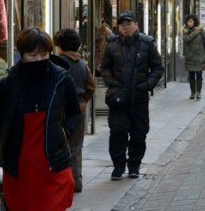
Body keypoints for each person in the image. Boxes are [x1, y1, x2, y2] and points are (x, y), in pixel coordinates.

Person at [0, 27, 81, 211]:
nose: (38, 60)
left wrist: (63, 132)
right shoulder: (8, 84)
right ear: (21, 54)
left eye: (43, 54)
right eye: (32, 55)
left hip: (53, 161)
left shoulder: (61, 79)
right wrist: (7, 135)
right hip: (19, 165)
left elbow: (74, 112)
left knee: (54, 204)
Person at [101, 11, 164, 180]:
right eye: (122, 25)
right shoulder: (112, 45)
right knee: (117, 132)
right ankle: (118, 166)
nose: (126, 27)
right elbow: (105, 68)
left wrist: (147, 85)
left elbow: (158, 68)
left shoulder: (147, 44)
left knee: (139, 133)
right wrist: (112, 83)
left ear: (136, 24)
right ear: (118, 27)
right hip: (118, 98)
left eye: (129, 24)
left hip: (139, 98)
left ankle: (134, 165)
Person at [53, 28, 96, 193]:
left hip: (62, 110)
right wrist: (84, 100)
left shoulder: (57, 62)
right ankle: (76, 181)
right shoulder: (82, 64)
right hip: (79, 109)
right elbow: (91, 86)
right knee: (76, 146)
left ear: (61, 46)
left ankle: (65, 182)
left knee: (62, 146)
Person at [182, 14, 205, 99]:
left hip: (200, 56)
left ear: (194, 22)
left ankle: (198, 92)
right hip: (190, 56)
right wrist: (195, 32)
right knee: (191, 75)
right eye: (188, 21)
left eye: (191, 21)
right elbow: (187, 39)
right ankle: (192, 92)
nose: (189, 23)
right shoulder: (185, 31)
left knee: (198, 74)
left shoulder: (201, 30)